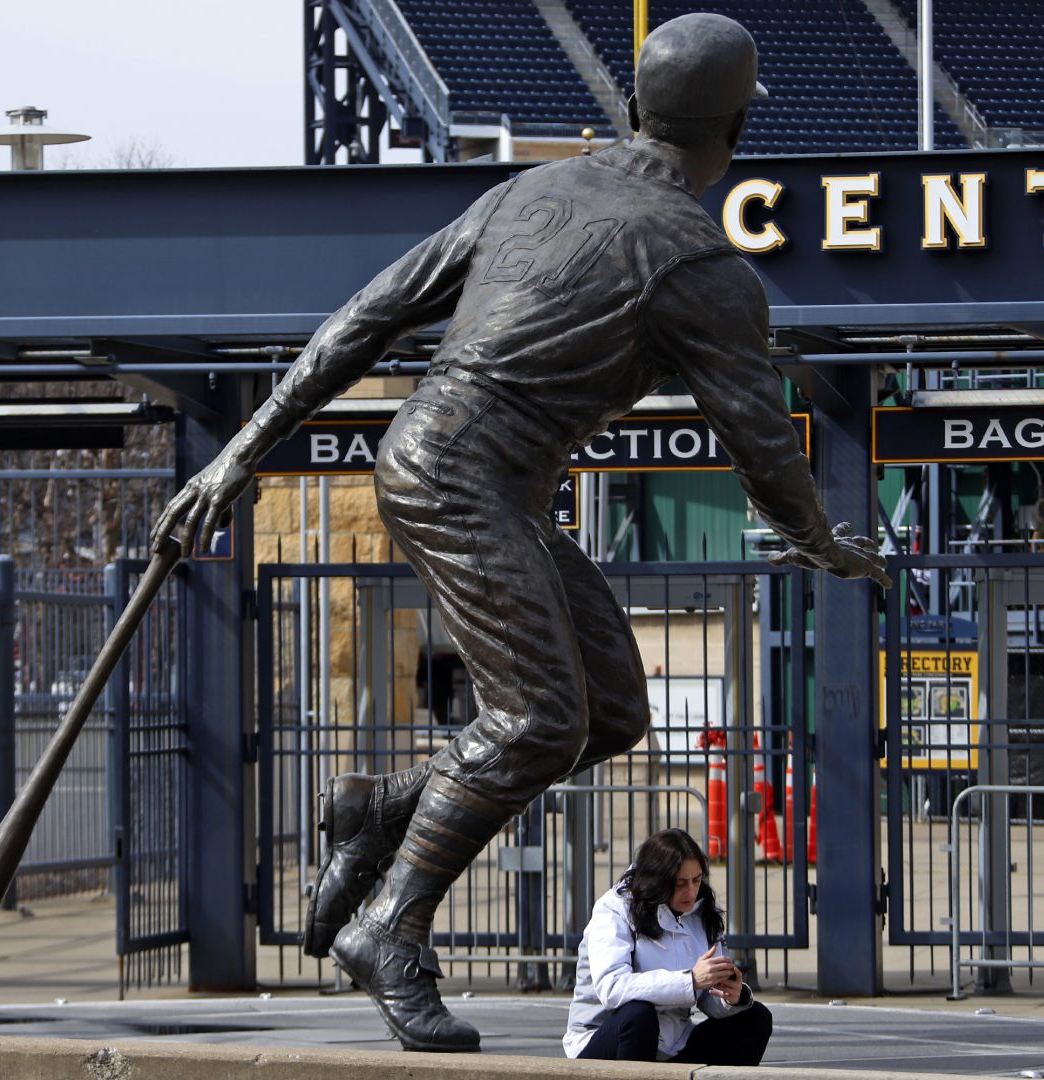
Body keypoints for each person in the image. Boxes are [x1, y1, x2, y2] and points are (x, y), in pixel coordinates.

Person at [152, 11, 889, 1053]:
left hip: (461, 469)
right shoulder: (703, 271)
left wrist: (240, 454)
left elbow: (360, 317)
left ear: (632, 111)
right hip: (465, 475)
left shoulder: (532, 187)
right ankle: (386, 929)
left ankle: (377, 809)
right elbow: (765, 456)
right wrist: (825, 545)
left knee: (612, 712)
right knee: (540, 718)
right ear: (735, 137)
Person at [565, 829, 772, 1065]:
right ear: (657, 881)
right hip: (603, 1038)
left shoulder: (703, 911)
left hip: (673, 1043)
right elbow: (611, 988)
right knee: (638, 1015)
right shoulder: (614, 909)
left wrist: (729, 997)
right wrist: (690, 980)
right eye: (680, 883)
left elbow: (707, 997)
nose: (691, 892)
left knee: (756, 1017)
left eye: (696, 880)